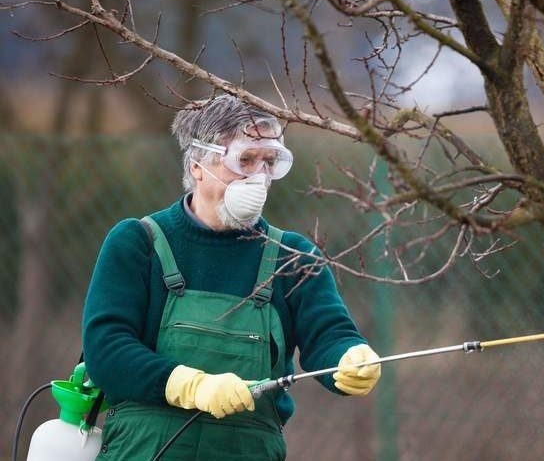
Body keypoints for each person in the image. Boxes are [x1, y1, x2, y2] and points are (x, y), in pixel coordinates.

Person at [81, 95, 381, 460]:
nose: (260, 176)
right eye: (245, 160)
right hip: (145, 450)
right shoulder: (138, 243)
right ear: (197, 164)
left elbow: (329, 334)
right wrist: (189, 386)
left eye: (269, 162)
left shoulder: (292, 256)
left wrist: (351, 358)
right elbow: (106, 350)